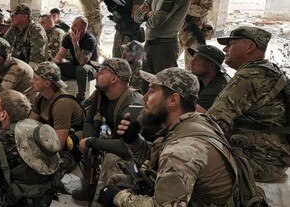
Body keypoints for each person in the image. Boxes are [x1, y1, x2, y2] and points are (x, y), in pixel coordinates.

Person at [98, 68, 237, 206]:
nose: (144, 97)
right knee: (117, 181)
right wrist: (133, 140)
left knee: (114, 192)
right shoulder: (195, 121)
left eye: (152, 91)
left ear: (173, 100)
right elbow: (158, 162)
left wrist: (118, 197)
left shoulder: (182, 150)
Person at [208, 26, 290, 183]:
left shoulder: (250, 76)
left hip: (256, 161)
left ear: (250, 47)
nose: (225, 49)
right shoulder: (269, 70)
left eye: (231, 44)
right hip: (272, 158)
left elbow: (213, 122)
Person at [70, 58, 142, 201]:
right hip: (115, 140)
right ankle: (90, 183)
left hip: (138, 156)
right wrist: (88, 142)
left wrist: (92, 142)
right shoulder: (101, 94)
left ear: (114, 78)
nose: (96, 75)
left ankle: (106, 196)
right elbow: (89, 121)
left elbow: (127, 147)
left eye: (101, 71)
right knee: (74, 138)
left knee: (110, 158)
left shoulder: (133, 105)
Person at [134, 0, 191, 93]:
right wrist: (149, 14)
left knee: (163, 91)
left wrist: (146, 14)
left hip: (165, 46)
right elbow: (136, 15)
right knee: (146, 89)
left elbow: (157, 21)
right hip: (150, 44)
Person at [52, 16, 98, 101]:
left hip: (90, 69)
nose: (72, 27)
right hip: (74, 67)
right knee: (57, 68)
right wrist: (52, 65)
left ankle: (81, 97)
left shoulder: (90, 39)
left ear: (84, 27)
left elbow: (82, 62)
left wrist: (75, 43)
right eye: (73, 24)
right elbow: (60, 55)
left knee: (81, 69)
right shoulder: (68, 37)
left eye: (76, 25)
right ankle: (57, 93)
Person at [180, 0, 215, 70]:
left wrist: (185, 7)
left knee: (192, 63)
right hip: (180, 29)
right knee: (170, 57)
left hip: (195, 30)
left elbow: (203, 10)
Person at [3, 3, 48, 69]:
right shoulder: (14, 28)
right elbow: (3, 44)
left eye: (13, 15)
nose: (11, 17)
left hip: (31, 69)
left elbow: (36, 61)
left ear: (24, 17)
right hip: (18, 66)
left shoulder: (36, 30)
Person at [187, 45, 230, 112]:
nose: (192, 62)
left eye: (198, 59)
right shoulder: (202, 80)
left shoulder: (218, 87)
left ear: (212, 66)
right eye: (193, 58)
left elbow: (192, 113)